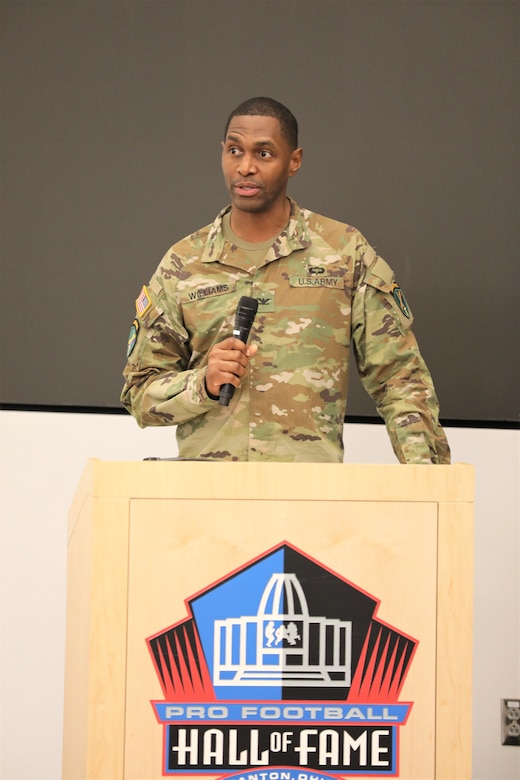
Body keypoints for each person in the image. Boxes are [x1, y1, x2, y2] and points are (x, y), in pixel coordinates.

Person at [121, 96, 450, 464]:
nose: (245, 167)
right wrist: (204, 383)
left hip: (308, 500)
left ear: (294, 161)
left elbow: (400, 378)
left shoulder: (343, 252)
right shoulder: (183, 263)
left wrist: (429, 482)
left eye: (263, 154)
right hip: (210, 500)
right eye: (234, 150)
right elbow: (140, 395)